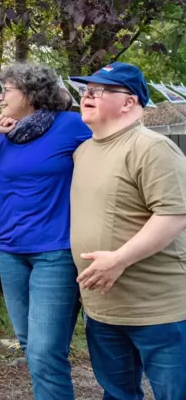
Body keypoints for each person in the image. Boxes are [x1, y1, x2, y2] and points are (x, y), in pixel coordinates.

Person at [0, 62, 91, 400]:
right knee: (31, 346)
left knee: (45, 352)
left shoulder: (71, 126)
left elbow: (110, 155)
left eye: (6, 90)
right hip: (11, 252)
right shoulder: (4, 135)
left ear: (30, 93)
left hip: (54, 252)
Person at [69, 62, 186, 400]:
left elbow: (175, 214)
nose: (87, 96)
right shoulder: (83, 151)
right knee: (118, 394)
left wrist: (119, 259)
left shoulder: (152, 148)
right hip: (104, 309)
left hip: (159, 310)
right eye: (85, 90)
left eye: (98, 91)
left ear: (129, 102)